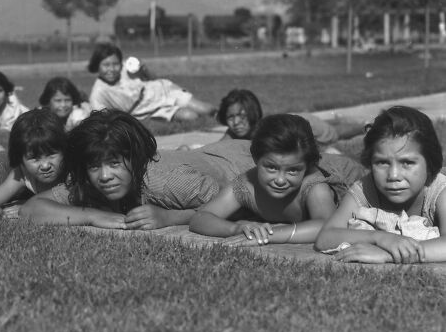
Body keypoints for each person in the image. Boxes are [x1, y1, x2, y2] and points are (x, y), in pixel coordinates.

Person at [20, 109, 220, 229]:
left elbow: (238, 205)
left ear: (135, 159)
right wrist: (92, 216)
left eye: (115, 163)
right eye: (94, 166)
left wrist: (171, 217)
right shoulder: (87, 184)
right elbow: (31, 209)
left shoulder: (166, 182)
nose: (105, 176)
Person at [315, 106, 446, 264]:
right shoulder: (366, 188)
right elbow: (325, 237)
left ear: (430, 164)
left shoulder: (439, 191)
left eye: (407, 163)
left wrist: (388, 254)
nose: (394, 175)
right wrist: (380, 238)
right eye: (382, 162)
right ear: (370, 162)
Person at [190, 114, 341, 246]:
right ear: (256, 159)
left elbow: (328, 226)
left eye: (293, 170)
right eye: (271, 168)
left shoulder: (314, 187)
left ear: (307, 166)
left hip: (344, 168)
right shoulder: (246, 185)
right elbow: (200, 218)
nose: (280, 180)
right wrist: (236, 228)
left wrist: (270, 235)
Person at [87, 42, 216, 122]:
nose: (111, 69)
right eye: (106, 65)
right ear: (97, 66)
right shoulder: (99, 93)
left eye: (115, 64)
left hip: (164, 90)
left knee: (206, 109)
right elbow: (102, 120)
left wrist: (144, 69)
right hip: (150, 111)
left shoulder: (127, 67)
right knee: (191, 117)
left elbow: (154, 78)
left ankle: (222, 116)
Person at [0, 109, 67, 219]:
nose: (45, 166)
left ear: (64, 149)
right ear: (20, 158)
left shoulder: (72, 171)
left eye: (51, 155)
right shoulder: (22, 174)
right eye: (34, 158)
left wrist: (29, 206)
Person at [217, 88, 366, 152]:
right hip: (293, 122)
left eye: (242, 116)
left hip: (308, 125)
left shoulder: (263, 130)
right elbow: (216, 148)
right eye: (231, 117)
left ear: (252, 113)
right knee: (331, 127)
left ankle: (363, 125)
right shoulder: (233, 132)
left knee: (335, 134)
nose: (236, 122)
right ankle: (340, 119)